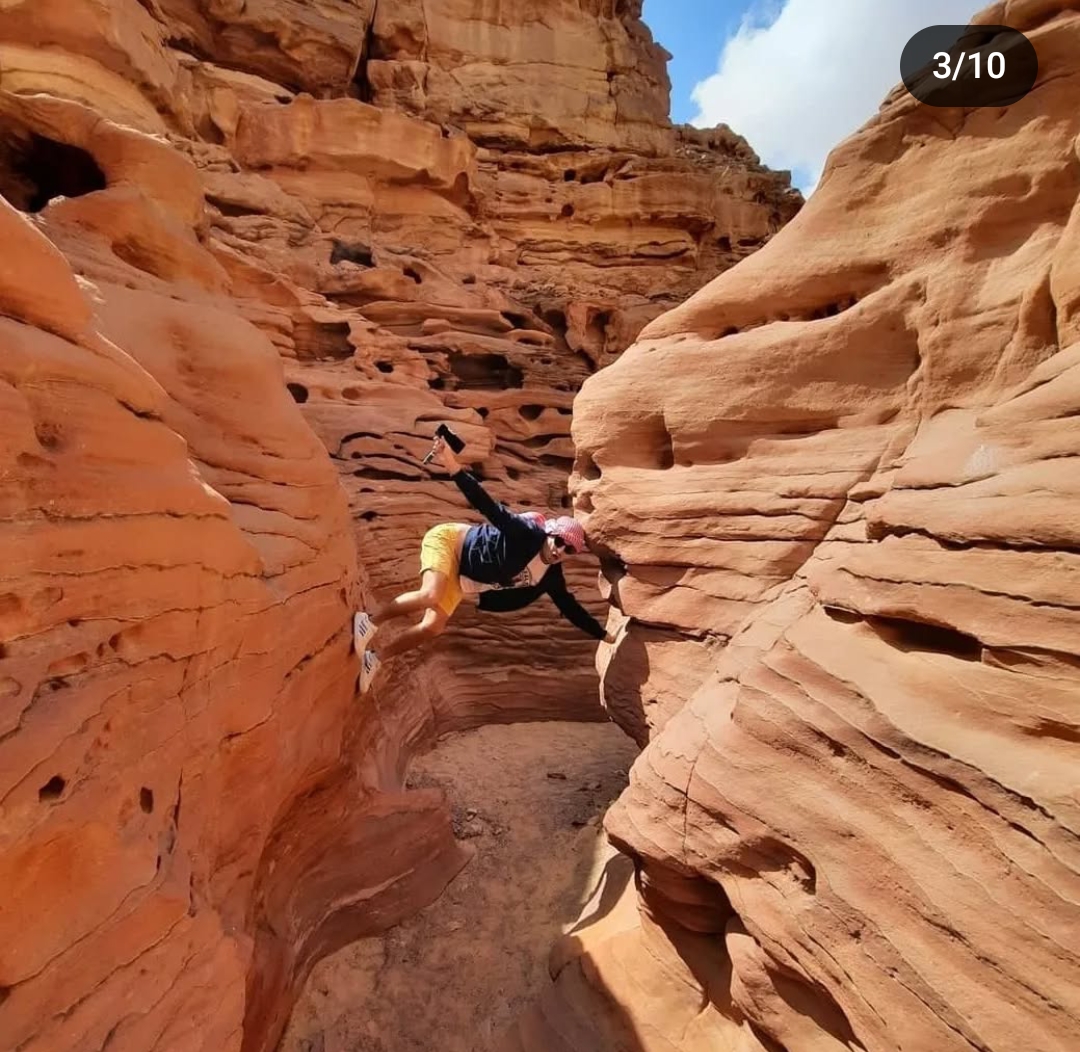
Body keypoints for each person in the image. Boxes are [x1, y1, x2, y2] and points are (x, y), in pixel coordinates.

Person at [353, 434, 614, 691]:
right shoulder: (526, 533)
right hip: (450, 543)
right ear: (550, 534)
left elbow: (570, 608)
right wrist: (451, 464)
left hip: (464, 575)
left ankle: (374, 659)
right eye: (559, 541)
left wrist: (602, 634)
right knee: (430, 595)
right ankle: (370, 622)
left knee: (432, 626)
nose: (560, 550)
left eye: (569, 549)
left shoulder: (551, 576)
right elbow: (488, 506)